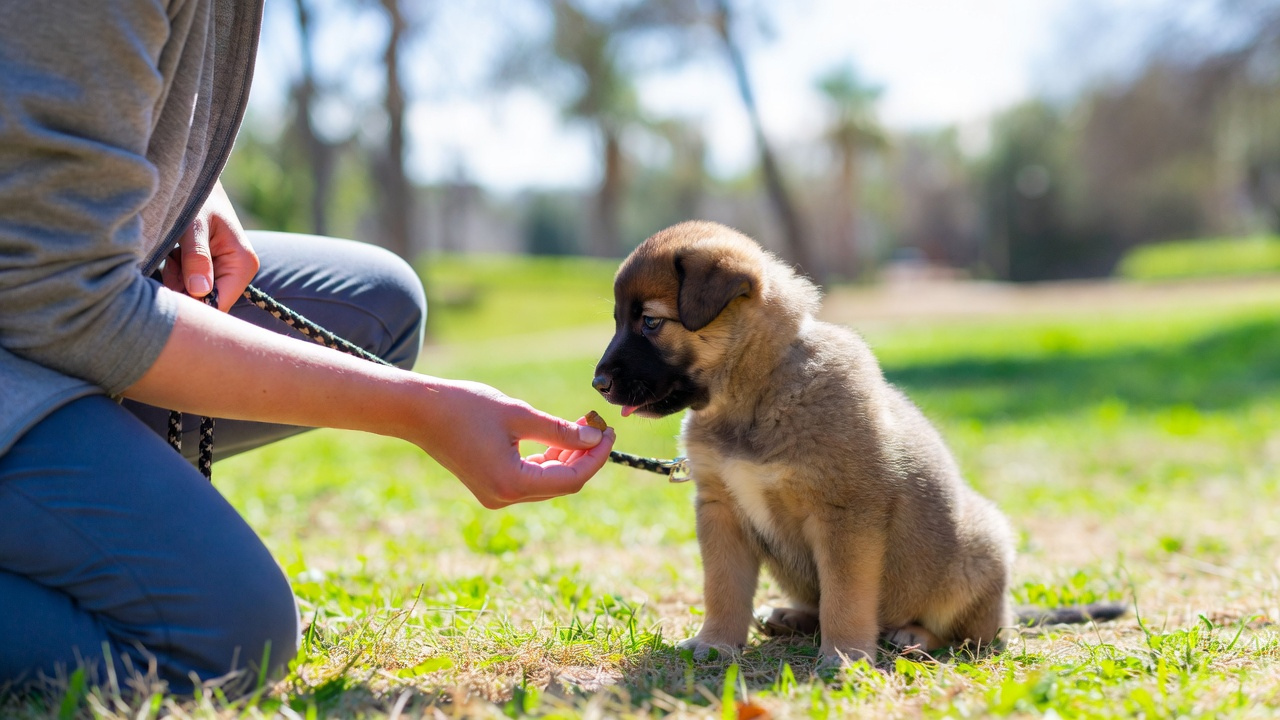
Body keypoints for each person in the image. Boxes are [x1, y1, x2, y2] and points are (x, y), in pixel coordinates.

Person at [0, 0, 616, 694]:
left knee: (375, 307)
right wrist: (420, 410)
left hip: (33, 303)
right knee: (225, 637)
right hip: (30, 313)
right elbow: (53, 295)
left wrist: (186, 182)